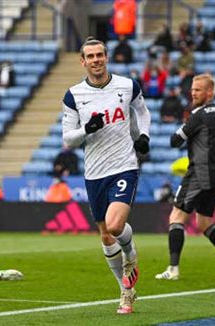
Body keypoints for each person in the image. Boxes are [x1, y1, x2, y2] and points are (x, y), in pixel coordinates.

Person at [62, 37, 151, 314]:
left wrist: (144, 136)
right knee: (105, 236)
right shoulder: (73, 95)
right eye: (90, 56)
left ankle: (131, 256)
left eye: (100, 54)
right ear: (83, 61)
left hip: (124, 165)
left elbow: (142, 112)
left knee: (114, 225)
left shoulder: (127, 85)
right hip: (94, 172)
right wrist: (87, 128)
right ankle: (126, 292)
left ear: (106, 57)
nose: (96, 60)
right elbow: (68, 140)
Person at [155, 74, 215, 282]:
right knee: (204, 222)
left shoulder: (199, 115)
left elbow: (174, 141)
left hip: (200, 172)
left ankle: (173, 269)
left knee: (176, 217)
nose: (193, 93)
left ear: (210, 93)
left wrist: (183, 126)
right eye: (193, 89)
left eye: (198, 89)